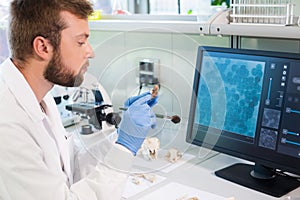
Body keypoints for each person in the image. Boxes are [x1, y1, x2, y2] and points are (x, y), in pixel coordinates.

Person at [0, 0, 157, 199]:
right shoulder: (7, 124)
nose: (90, 52)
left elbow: (69, 168)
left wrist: (120, 136)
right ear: (43, 47)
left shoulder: (40, 97)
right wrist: (125, 147)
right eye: (80, 42)